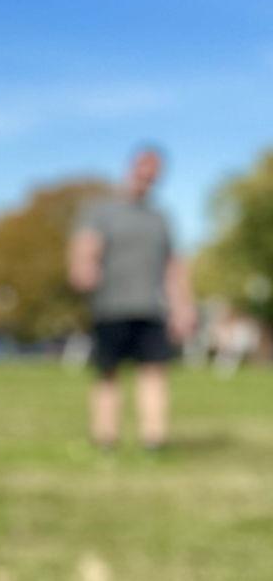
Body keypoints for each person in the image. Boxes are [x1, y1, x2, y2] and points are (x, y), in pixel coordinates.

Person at [68, 145, 196, 449]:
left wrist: (183, 306)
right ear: (133, 167)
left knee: (154, 372)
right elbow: (84, 245)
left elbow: (173, 265)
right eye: (144, 167)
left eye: (155, 171)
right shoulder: (101, 210)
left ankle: (154, 440)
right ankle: (105, 438)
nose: (148, 175)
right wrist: (83, 266)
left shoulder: (159, 218)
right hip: (111, 305)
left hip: (152, 306)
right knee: (107, 373)